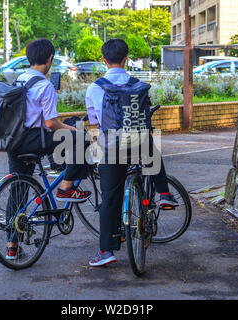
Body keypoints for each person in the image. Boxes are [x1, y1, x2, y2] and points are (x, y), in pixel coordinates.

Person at [85, 39, 178, 267]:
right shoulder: (138, 84)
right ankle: (164, 194)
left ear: (104, 60)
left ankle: (106, 251)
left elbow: (95, 120)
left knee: (110, 198)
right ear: (126, 59)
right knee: (148, 141)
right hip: (138, 143)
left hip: (111, 147)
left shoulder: (95, 87)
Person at [5, 38, 91, 259]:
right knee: (81, 138)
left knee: (18, 189)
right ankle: (66, 187)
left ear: (28, 57)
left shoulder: (19, 80)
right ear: (50, 58)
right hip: (33, 139)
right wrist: (71, 130)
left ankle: (11, 246)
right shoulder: (45, 85)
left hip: (13, 141)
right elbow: (51, 124)